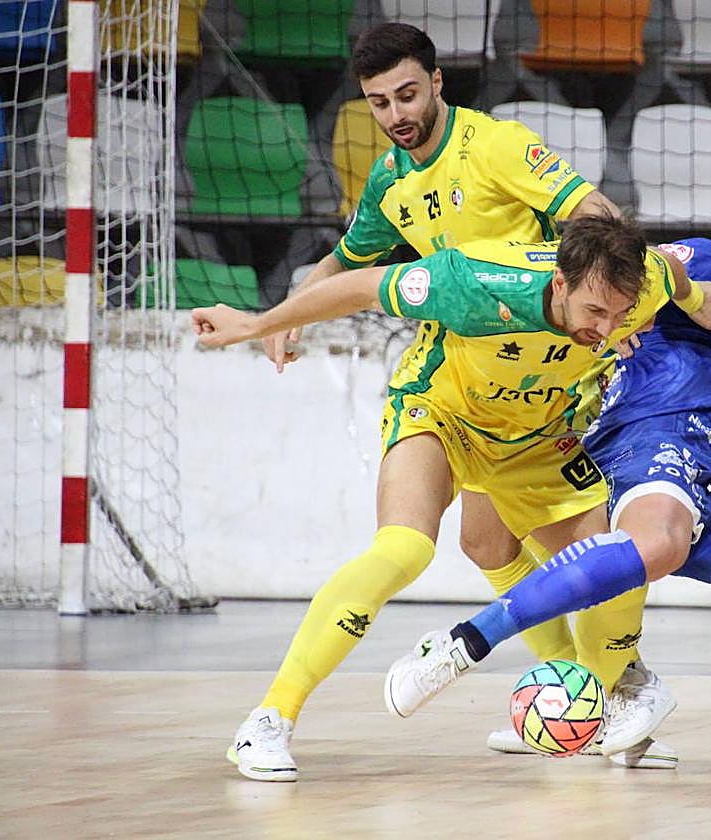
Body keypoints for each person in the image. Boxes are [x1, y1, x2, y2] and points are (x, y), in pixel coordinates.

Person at [193, 214, 711, 781]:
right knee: (403, 550)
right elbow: (359, 286)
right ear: (559, 283)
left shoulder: (640, 279)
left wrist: (697, 300)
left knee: (618, 562)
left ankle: (590, 708)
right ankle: (269, 719)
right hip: (441, 413)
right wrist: (255, 324)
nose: (606, 329)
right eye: (594, 313)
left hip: (535, 437)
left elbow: (669, 272)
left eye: (619, 315)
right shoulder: (475, 279)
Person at [385, 189, 711, 775]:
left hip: (690, 478)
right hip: (645, 459)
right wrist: (623, 327)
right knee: (649, 543)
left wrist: (708, 418)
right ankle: (465, 644)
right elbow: (632, 263)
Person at [267, 21, 646, 731]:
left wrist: (614, 312)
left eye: (407, 95)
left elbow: (597, 217)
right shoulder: (389, 178)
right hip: (455, 378)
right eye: (378, 103)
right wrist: (289, 310)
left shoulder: (495, 147)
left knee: (551, 553)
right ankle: (576, 702)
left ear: (438, 83)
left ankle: (601, 697)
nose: (396, 116)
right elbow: (350, 264)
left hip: (538, 378)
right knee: (454, 544)